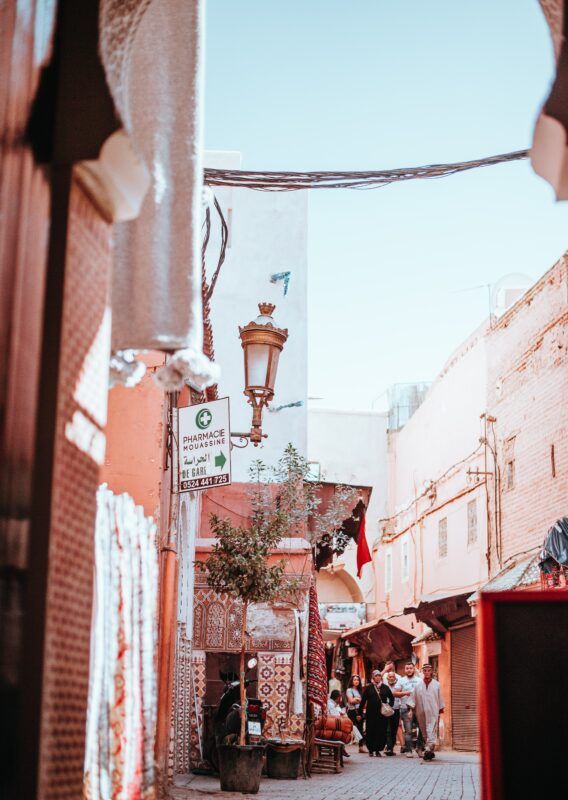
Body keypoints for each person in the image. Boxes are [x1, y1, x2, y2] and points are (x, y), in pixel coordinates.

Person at [406, 663, 445, 761]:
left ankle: (427, 750)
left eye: (429, 670)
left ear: (431, 672)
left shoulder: (437, 685)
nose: (427, 672)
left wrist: (440, 710)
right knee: (424, 732)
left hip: (433, 712)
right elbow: (412, 699)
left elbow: (440, 699)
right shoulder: (418, 685)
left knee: (431, 730)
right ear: (423, 672)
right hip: (421, 712)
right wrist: (410, 710)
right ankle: (430, 751)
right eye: (425, 671)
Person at [359, 670, 394, 757]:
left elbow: (392, 698)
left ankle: (378, 750)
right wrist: (359, 713)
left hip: (382, 715)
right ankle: (371, 750)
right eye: (376, 676)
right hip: (371, 714)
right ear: (373, 677)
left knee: (381, 732)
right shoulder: (369, 688)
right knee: (370, 731)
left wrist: (388, 707)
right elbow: (363, 701)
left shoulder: (385, 687)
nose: (378, 677)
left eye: (379, 676)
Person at [398, 661, 423, 757]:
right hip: (405, 708)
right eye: (407, 668)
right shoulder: (401, 680)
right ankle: (408, 750)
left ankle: (419, 748)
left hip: (418, 708)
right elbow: (395, 693)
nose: (409, 670)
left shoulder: (419, 680)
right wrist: (406, 693)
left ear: (414, 669)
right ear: (405, 670)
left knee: (421, 729)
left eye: (410, 668)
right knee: (408, 731)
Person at [345, 674, 366, 753]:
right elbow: (351, 701)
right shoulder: (349, 690)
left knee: (360, 728)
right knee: (349, 728)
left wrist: (357, 699)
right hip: (352, 711)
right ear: (352, 681)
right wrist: (358, 699)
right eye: (355, 680)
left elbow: (363, 701)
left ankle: (361, 747)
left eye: (357, 680)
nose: (356, 681)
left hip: (359, 711)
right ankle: (344, 745)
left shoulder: (360, 691)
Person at [384, 671, 403, 756]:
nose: (391, 678)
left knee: (394, 729)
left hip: (396, 710)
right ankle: (389, 748)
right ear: (387, 678)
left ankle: (391, 747)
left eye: (393, 677)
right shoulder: (384, 686)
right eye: (390, 677)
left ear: (395, 678)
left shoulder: (398, 686)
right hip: (387, 710)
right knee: (388, 729)